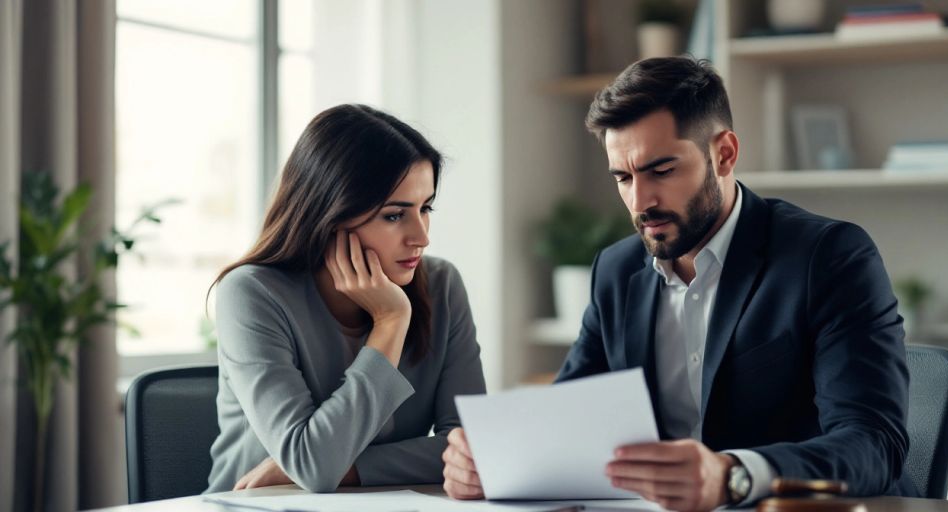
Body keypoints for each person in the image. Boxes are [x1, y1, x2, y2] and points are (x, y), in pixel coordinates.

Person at [441, 56, 911, 511]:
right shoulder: (615, 271)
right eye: (623, 178)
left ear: (724, 154)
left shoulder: (827, 256)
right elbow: (569, 421)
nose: (640, 201)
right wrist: (494, 461)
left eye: (661, 171)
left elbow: (874, 442)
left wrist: (732, 475)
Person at [206, 104, 486, 493]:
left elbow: (472, 451)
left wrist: (350, 467)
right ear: (330, 216)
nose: (421, 236)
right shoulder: (252, 293)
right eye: (394, 215)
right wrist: (391, 322)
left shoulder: (442, 285)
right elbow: (314, 467)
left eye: (425, 208)